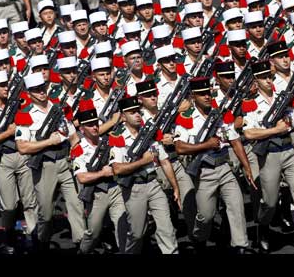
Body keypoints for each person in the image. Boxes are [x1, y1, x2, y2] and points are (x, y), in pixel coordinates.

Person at [241, 60, 294, 254]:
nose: (268, 80)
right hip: (269, 155)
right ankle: (263, 227)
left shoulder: (283, 98)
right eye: (263, 78)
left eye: (270, 76)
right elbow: (249, 134)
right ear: (256, 80)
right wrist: (274, 130)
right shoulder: (251, 103)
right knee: (270, 201)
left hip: (288, 151)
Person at [174, 76, 254, 254]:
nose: (206, 97)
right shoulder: (186, 118)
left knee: (237, 207)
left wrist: (247, 167)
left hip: (225, 167)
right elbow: (179, 148)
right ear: (193, 97)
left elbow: (235, 141)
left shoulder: (220, 114)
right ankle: (199, 238)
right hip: (204, 173)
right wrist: (206, 145)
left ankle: (240, 246)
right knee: (205, 216)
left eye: (208, 93)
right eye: (202, 94)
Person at [14, 72, 85, 252]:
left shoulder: (59, 108)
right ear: (29, 93)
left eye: (42, 88)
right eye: (36, 90)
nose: (41, 92)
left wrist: (78, 157)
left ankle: (81, 245)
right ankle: (42, 241)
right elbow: (22, 147)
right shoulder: (25, 115)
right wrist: (48, 142)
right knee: (45, 213)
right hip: (45, 166)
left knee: (76, 205)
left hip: (65, 162)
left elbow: (73, 136)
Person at [0, 70, 38, 254]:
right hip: (3, 159)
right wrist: (6, 134)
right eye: (2, 85)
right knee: (9, 205)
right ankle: (10, 235)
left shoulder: (19, 105)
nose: (6, 88)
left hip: (22, 156)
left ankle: (34, 237)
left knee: (30, 201)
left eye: (7, 85)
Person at [110, 95, 180, 254]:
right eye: (132, 112)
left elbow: (164, 161)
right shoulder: (118, 138)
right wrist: (143, 161)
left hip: (154, 184)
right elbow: (117, 169)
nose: (137, 115)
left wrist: (175, 188)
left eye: (138, 111)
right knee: (137, 233)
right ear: (123, 117)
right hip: (134, 188)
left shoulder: (149, 134)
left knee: (167, 229)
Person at [72, 101, 128, 254]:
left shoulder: (108, 141)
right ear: (82, 129)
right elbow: (81, 178)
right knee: (93, 233)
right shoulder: (79, 149)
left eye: (96, 123)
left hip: (115, 189)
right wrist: (102, 173)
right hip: (96, 193)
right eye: (90, 125)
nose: (95, 127)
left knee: (122, 225)